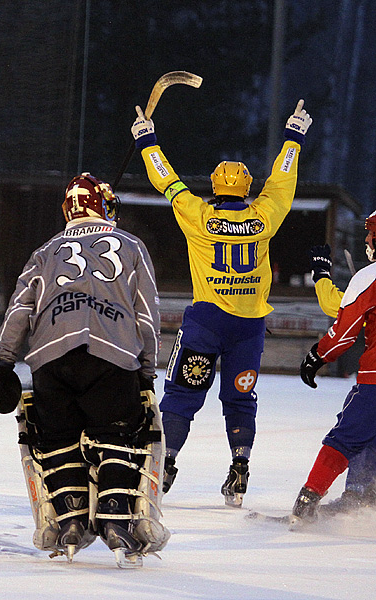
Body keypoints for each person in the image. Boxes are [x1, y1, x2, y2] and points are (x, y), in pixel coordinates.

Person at [0, 174, 168, 568]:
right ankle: (114, 517)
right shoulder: (130, 245)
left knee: (57, 437)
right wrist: (146, 367)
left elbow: (19, 309)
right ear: (106, 206)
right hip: (113, 354)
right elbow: (147, 312)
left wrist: (3, 361)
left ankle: (71, 519)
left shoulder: (44, 251)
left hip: (50, 356)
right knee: (118, 432)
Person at [132, 99, 313, 507]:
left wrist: (148, 142)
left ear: (215, 188)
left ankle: (167, 464)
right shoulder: (265, 217)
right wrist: (292, 140)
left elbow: (169, 182)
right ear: (247, 189)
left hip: (206, 323)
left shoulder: (196, 215)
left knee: (181, 394)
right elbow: (282, 184)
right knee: (240, 397)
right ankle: (240, 466)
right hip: (248, 329)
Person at [294, 226, 376, 526]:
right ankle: (363, 500)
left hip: (375, 379)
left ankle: (306, 502)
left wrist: (318, 355)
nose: (366, 241)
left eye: (370, 236)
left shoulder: (368, 278)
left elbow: (343, 321)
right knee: (371, 438)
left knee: (345, 438)